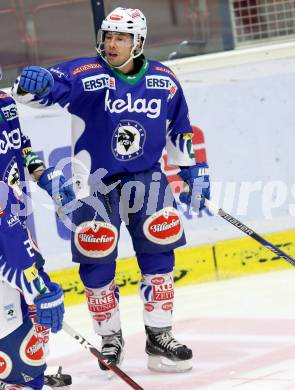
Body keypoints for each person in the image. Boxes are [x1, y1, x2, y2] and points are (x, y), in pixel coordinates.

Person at [12, 7, 210, 373]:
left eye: (121, 37)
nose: (112, 43)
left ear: (139, 42)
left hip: (147, 177)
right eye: (108, 35)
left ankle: (159, 337)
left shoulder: (164, 80)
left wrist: (194, 168)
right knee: (96, 256)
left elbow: (178, 128)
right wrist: (32, 83)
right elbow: (34, 94)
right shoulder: (85, 74)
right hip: (92, 181)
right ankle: (110, 338)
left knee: (159, 254)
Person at [0, 70, 74, 388]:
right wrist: (38, 285)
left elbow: (19, 145)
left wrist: (41, 173)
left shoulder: (4, 103)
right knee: (22, 367)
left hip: (15, 219)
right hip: (7, 230)